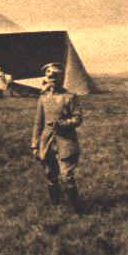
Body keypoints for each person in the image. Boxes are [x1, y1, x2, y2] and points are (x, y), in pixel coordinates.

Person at [30, 62, 84, 214]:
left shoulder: (70, 97)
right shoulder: (43, 98)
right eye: (49, 77)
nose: (52, 79)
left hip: (66, 142)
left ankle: (76, 210)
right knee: (50, 174)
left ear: (62, 78)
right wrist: (35, 144)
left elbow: (78, 118)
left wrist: (63, 124)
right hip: (46, 142)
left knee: (66, 176)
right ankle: (56, 206)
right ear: (46, 79)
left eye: (56, 77)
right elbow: (38, 123)